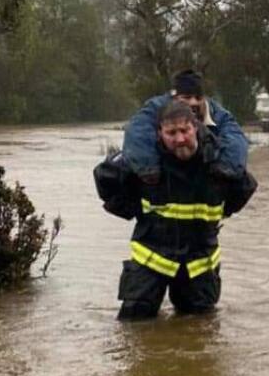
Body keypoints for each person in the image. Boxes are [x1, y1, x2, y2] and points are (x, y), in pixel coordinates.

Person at [95, 101, 258, 319]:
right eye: (171, 132)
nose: (179, 139)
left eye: (184, 130)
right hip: (150, 260)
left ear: (196, 128)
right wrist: (132, 209)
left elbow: (245, 186)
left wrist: (222, 211)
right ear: (159, 133)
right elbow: (104, 178)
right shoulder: (144, 160)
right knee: (133, 328)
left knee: (199, 332)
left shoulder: (219, 160)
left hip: (200, 265)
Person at [122, 69, 248, 183]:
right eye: (187, 98)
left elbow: (235, 138)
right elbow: (137, 134)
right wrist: (149, 170)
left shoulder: (219, 114)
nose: (193, 102)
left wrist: (226, 169)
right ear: (174, 97)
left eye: (198, 98)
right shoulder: (154, 108)